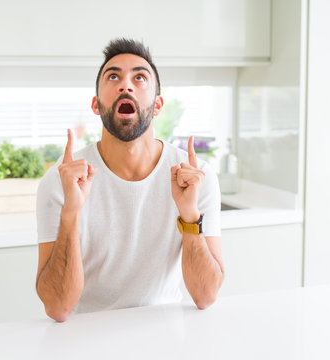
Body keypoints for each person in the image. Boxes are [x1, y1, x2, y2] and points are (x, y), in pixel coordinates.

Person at [35, 38, 224, 322]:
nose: (126, 85)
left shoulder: (197, 178)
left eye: (140, 77)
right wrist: (71, 213)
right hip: (86, 336)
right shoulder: (61, 182)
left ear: (158, 105)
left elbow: (206, 295)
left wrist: (189, 215)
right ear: (96, 105)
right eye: (113, 76)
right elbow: (58, 308)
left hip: (165, 332)